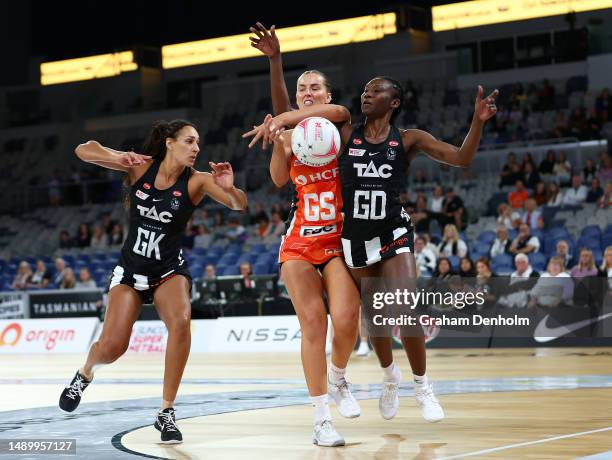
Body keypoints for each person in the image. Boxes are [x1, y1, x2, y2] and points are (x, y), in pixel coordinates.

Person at [58, 119, 247, 445]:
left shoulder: (197, 181)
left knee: (182, 321)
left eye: (198, 142)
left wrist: (230, 187)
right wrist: (117, 156)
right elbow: (82, 150)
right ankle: (85, 372)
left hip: (168, 272)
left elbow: (239, 205)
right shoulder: (140, 167)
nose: (196, 148)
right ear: (170, 143)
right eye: (189, 141)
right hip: (130, 272)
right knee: (112, 347)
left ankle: (166, 411)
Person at [246, 23, 360, 447]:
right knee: (314, 322)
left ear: (328, 96)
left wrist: (284, 117)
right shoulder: (293, 135)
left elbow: (327, 114)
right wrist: (279, 139)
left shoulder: (339, 122)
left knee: (347, 321)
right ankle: (321, 419)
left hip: (337, 239)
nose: (308, 91)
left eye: (315, 87)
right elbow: (277, 179)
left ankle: (339, 377)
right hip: (300, 239)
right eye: (302, 88)